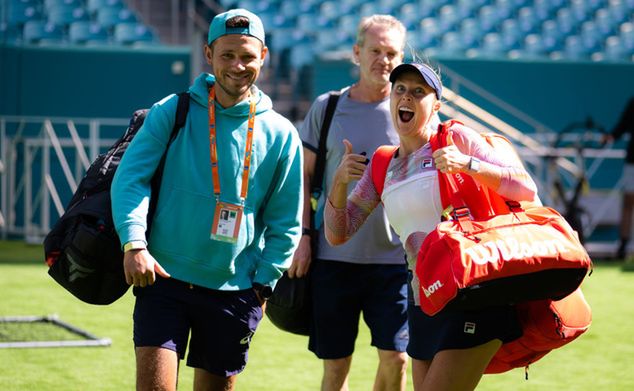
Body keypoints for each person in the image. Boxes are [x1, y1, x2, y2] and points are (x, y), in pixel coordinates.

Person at [111, 9, 303, 391]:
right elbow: (131, 180)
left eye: (247, 56)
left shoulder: (282, 134)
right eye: (227, 54)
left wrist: (263, 285)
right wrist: (134, 243)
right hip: (163, 279)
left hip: (234, 291)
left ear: (263, 57)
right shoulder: (173, 110)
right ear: (209, 54)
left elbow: (286, 223)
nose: (237, 65)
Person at [323, 62, 539, 390]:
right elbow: (339, 233)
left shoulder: (455, 138)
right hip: (423, 301)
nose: (406, 97)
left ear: (435, 105)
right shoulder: (383, 163)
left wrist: (469, 165)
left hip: (475, 294)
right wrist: (339, 184)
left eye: (418, 92)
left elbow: (526, 188)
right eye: (400, 90)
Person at [290, 15, 412, 391]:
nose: (383, 60)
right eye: (375, 51)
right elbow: (303, 178)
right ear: (357, 53)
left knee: (397, 358)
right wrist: (303, 237)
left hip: (393, 261)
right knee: (336, 368)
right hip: (334, 259)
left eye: (391, 53)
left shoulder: (408, 112)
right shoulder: (327, 108)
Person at [603, 97, 634, 260]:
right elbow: (623, 124)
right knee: (628, 202)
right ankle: (623, 245)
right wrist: (611, 136)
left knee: (628, 203)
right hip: (633, 160)